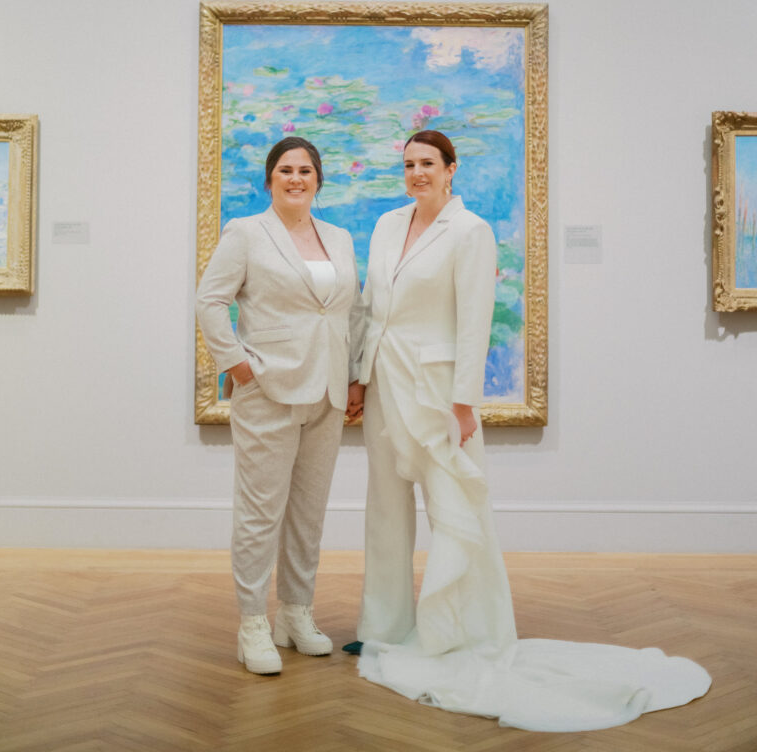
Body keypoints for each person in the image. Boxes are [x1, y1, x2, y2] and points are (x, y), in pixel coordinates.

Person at [351, 130, 710, 731]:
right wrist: (360, 375)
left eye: (428, 164)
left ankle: (461, 630)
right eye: (409, 164)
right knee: (385, 508)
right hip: (385, 384)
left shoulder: (470, 232)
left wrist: (466, 401)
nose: (417, 172)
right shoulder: (388, 225)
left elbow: (476, 319)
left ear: (451, 169)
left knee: (456, 506)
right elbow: (368, 306)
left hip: (439, 392)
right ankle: (382, 629)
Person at [196, 137, 365, 676]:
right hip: (267, 390)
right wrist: (238, 365)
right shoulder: (246, 232)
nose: (296, 178)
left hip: (329, 392)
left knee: (308, 513)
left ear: (319, 180)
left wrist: (357, 377)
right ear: (270, 180)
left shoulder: (338, 237)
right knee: (259, 513)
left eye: (306, 170)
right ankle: (252, 623)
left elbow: (352, 313)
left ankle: (295, 614)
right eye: (286, 170)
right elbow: (210, 300)